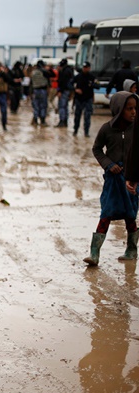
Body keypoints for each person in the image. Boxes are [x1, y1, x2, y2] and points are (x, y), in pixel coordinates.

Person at [83, 91, 137, 267]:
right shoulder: (107, 128)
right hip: (113, 180)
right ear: (119, 109)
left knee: (130, 214)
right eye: (129, 109)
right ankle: (94, 253)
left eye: (135, 108)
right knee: (106, 212)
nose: (133, 112)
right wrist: (108, 164)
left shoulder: (136, 128)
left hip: (131, 178)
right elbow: (97, 149)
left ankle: (131, 250)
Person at [73, 61, 99, 137]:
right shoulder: (78, 76)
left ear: (89, 68)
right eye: (84, 67)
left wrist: (92, 84)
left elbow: (98, 86)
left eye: (86, 67)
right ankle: (75, 131)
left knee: (87, 116)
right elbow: (70, 84)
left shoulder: (92, 77)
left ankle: (86, 132)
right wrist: (75, 89)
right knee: (77, 116)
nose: (85, 69)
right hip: (79, 99)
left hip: (88, 99)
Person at [30, 59, 54, 126]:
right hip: (42, 90)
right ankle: (42, 121)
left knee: (36, 106)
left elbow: (31, 83)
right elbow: (53, 75)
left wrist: (30, 93)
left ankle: (35, 120)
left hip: (35, 90)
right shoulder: (44, 71)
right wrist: (49, 69)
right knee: (43, 106)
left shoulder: (33, 72)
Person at [55, 58, 74, 128]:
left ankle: (62, 121)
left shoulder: (64, 71)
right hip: (68, 91)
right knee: (65, 107)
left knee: (62, 106)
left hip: (64, 91)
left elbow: (62, 82)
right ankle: (65, 121)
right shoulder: (70, 70)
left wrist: (60, 91)